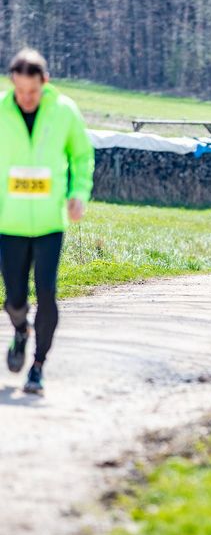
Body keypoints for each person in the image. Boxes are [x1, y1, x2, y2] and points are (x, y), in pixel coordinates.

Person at [0, 48, 94, 393]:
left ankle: (38, 366)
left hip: (50, 221)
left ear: (45, 82)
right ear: (12, 83)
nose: (26, 98)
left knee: (47, 293)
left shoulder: (64, 111)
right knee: (13, 299)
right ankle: (21, 329)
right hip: (8, 222)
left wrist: (78, 194)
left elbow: (82, 156)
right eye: (20, 90)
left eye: (33, 91)